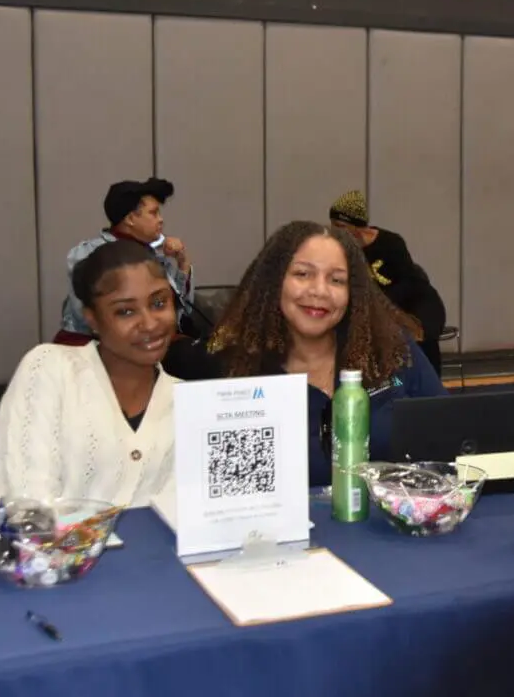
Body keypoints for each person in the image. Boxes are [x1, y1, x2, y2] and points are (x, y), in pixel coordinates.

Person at [192, 221, 446, 490]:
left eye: (337, 280)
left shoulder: (393, 350)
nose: (319, 291)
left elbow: (448, 434)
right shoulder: (236, 369)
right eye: (302, 274)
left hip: (389, 524)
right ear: (274, 282)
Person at [0, 240, 180, 520]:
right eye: (125, 311)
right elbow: (25, 505)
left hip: (138, 561)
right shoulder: (50, 368)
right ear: (91, 318)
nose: (150, 323)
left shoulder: (187, 400)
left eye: (159, 303)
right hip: (15, 557)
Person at [59, 178, 195, 344]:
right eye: (154, 213)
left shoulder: (152, 255)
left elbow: (183, 311)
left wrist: (182, 263)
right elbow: (84, 316)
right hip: (94, 346)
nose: (161, 220)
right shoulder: (91, 253)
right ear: (130, 219)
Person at [328, 190, 449, 371]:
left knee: (420, 337)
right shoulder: (342, 250)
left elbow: (409, 283)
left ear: (357, 227)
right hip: (380, 307)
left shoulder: (391, 242)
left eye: (341, 226)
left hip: (415, 301)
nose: (336, 232)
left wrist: (383, 304)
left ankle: (431, 386)